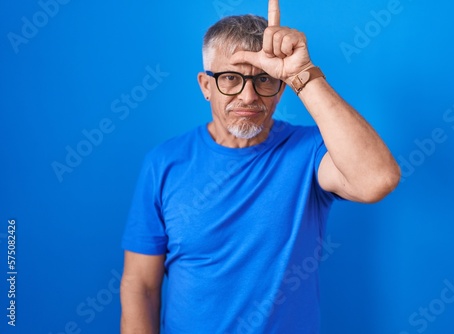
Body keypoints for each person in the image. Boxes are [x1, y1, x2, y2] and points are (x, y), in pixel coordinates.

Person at [120, 1, 400, 333]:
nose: (249, 95)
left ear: (281, 89)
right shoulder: (164, 163)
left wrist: (302, 74)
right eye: (230, 78)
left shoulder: (310, 152)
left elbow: (377, 179)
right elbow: (141, 285)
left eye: (265, 80)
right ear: (206, 86)